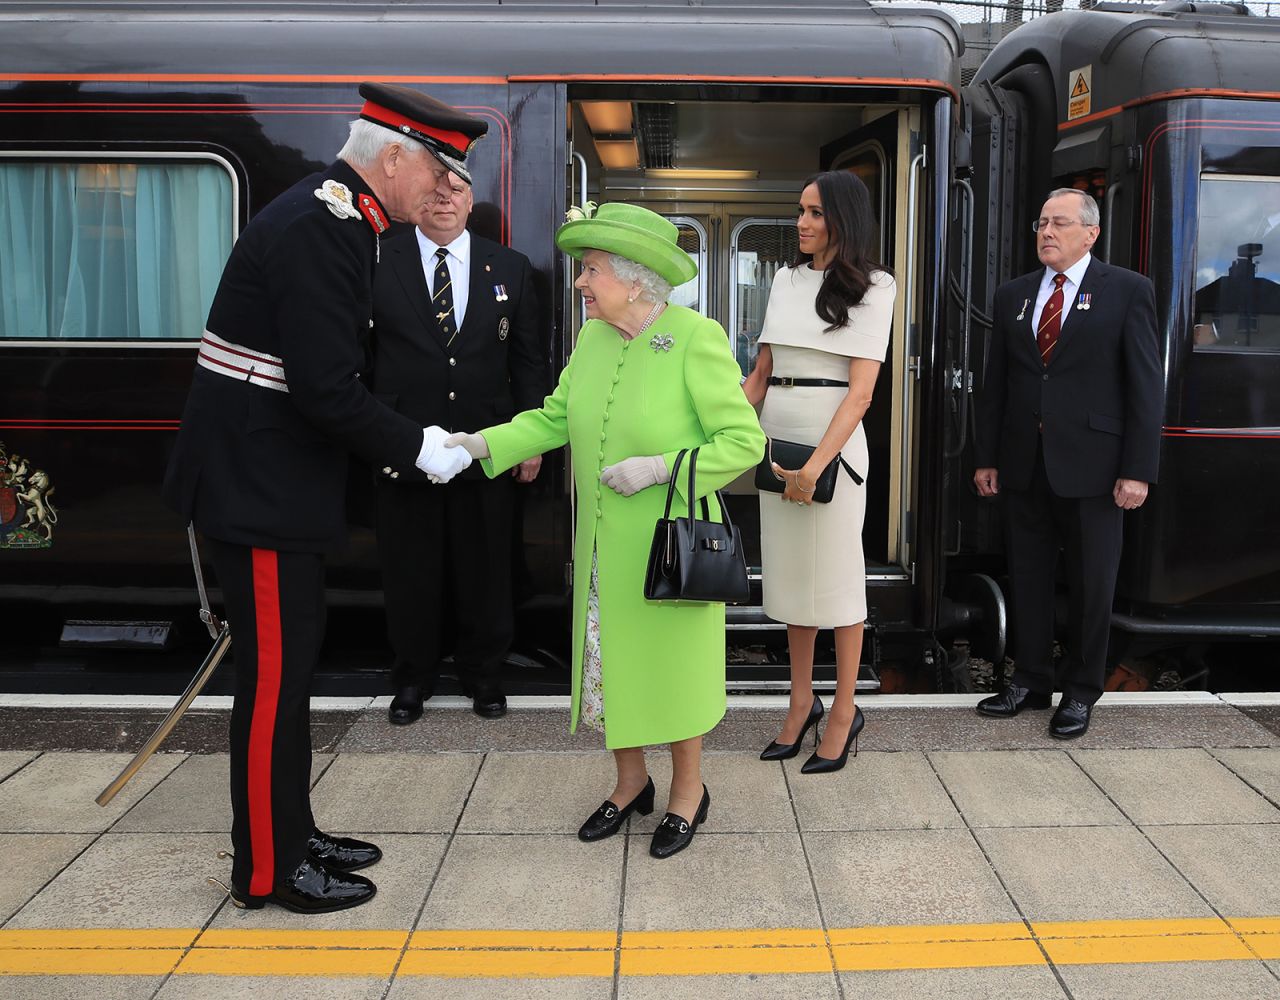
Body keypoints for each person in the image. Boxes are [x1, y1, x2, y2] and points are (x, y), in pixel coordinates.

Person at [162, 84, 486, 913]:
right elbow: (324, 390)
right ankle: (268, 870)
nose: (444, 192)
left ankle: (295, 832)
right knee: (274, 685)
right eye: (437, 172)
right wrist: (423, 448)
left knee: (291, 676)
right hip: (260, 492)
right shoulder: (324, 228)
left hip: (274, 488)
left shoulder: (342, 222)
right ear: (392, 158)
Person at [445, 204, 764, 859]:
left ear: (635, 278)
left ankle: (688, 793)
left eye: (590, 271)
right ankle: (629, 785)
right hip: (598, 546)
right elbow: (555, 416)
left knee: (673, 673)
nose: (581, 283)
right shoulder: (592, 339)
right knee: (607, 667)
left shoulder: (694, 337)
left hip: (669, 548)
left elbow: (744, 442)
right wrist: (477, 444)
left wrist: (657, 469)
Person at [973, 187, 1163, 738]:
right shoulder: (1015, 294)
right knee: (1027, 576)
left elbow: (1146, 387)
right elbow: (998, 387)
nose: (1046, 232)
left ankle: (1080, 691)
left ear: (1090, 233)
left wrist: (1138, 468)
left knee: (1091, 583)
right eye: (1041, 223)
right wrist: (987, 457)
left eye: (1059, 223)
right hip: (1024, 463)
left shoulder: (1127, 291)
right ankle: (1030, 680)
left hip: (1098, 468)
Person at [370, 171, 549, 724]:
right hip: (403, 446)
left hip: (487, 446)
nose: (445, 198)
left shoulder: (511, 267)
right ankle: (413, 678)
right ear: (415, 201)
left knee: (487, 568)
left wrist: (530, 440)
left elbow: (528, 360)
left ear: (472, 201)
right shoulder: (379, 262)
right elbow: (361, 356)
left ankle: (484, 675)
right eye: (435, 189)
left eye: (456, 190)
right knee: (410, 570)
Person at [742, 171, 895, 774]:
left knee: (836, 585)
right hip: (779, 438)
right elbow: (757, 379)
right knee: (789, 586)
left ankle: (844, 712)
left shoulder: (874, 285)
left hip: (832, 445)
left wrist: (814, 467)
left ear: (842, 219)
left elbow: (860, 395)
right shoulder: (783, 279)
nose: (801, 222)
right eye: (799, 210)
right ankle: (800, 701)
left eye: (813, 212)